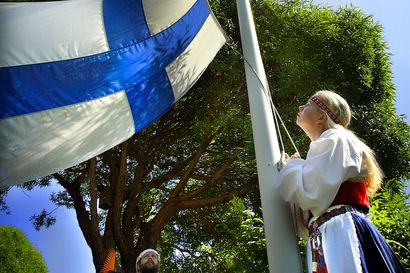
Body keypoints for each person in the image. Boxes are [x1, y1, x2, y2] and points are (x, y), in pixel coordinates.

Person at [276, 90, 405, 273]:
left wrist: (293, 166)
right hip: (329, 233)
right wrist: (298, 167)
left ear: (321, 117)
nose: (300, 107)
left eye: (307, 105)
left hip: (341, 233)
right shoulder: (331, 143)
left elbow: (313, 193)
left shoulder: (336, 138)